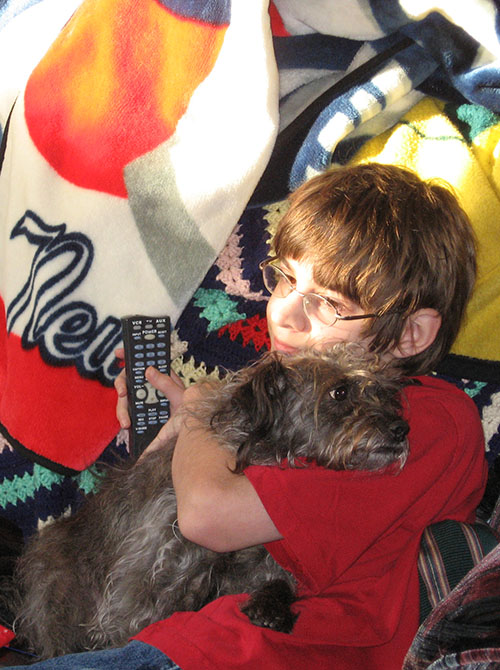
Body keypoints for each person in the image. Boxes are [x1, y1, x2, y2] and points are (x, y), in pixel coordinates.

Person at [5, 163, 488, 669]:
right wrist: (176, 432)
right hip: (177, 640)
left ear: (411, 335)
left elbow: (207, 515)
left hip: (248, 653)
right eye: (285, 279)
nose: (283, 314)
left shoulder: (428, 420)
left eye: (326, 303)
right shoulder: (296, 405)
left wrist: (202, 413)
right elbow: (162, 526)